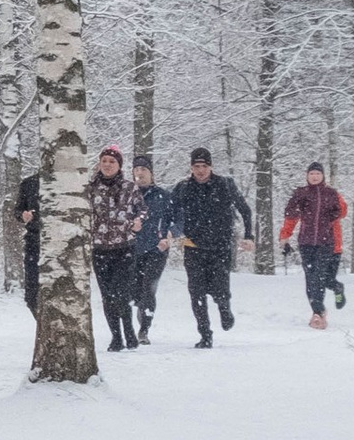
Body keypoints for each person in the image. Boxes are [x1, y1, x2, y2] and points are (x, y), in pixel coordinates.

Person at [165, 146, 251, 345]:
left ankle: (224, 307)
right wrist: (171, 232)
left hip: (220, 246)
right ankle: (205, 334)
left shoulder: (225, 185)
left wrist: (249, 235)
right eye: (196, 166)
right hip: (193, 245)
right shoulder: (183, 187)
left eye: (204, 166)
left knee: (220, 288)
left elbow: (245, 210)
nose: (200, 170)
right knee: (196, 292)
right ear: (191, 168)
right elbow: (169, 212)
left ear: (211, 167)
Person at [89, 142, 144, 352]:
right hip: (100, 248)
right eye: (104, 161)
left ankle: (129, 330)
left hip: (124, 248)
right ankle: (116, 336)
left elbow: (142, 209)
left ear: (119, 165)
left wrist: (138, 221)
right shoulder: (91, 188)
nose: (107, 165)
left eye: (112, 161)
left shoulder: (130, 187)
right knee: (107, 296)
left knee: (121, 293)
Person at [279, 160, 348, 326]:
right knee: (311, 279)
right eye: (311, 174)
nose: (315, 176)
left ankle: (320, 310)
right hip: (306, 242)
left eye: (318, 173)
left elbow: (343, 211)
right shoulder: (301, 194)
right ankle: (318, 311)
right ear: (307, 176)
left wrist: (336, 200)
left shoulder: (331, 193)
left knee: (320, 277)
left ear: (323, 176)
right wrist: (284, 237)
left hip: (326, 242)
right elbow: (291, 217)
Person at [128, 156, 170, 340]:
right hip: (131, 248)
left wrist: (169, 235)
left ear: (151, 173)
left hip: (156, 249)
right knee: (134, 290)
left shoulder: (163, 195)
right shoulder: (127, 194)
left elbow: (177, 218)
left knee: (149, 288)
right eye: (136, 169)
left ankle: (144, 328)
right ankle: (140, 307)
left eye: (143, 169)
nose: (140, 173)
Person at [14, 165, 42, 312]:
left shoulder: (70, 184)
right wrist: (22, 215)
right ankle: (45, 330)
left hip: (62, 245)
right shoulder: (29, 183)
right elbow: (17, 210)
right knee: (31, 297)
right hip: (34, 243)